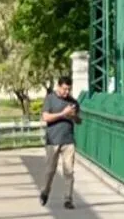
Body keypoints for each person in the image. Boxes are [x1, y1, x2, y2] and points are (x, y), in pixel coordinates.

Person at [39, 76, 81, 209]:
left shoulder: (73, 102)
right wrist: (63, 114)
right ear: (58, 86)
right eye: (64, 89)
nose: (66, 92)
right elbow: (45, 117)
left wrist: (73, 115)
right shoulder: (50, 99)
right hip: (53, 140)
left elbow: (79, 121)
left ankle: (68, 199)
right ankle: (45, 192)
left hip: (68, 141)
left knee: (69, 171)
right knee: (50, 170)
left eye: (69, 89)